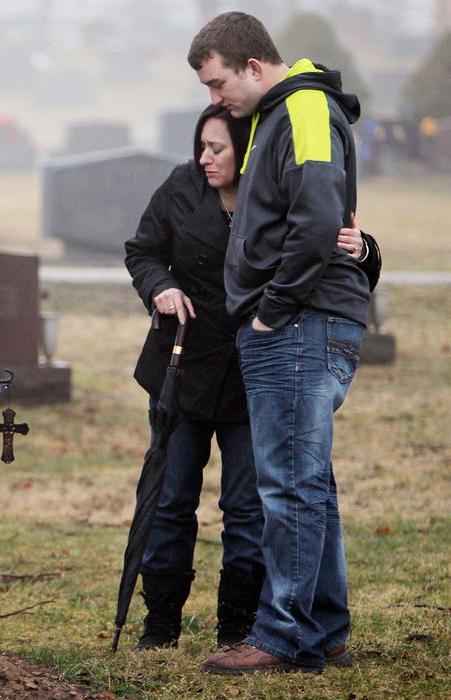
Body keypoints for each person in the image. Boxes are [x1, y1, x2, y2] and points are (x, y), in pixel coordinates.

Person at [124, 105, 380, 652]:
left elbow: (330, 250)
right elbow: (142, 250)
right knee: (170, 501)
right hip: (182, 369)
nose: (204, 158)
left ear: (248, 148)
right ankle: (160, 626)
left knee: (247, 509)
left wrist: (365, 248)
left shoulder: (278, 192)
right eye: (201, 146)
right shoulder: (181, 187)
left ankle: (239, 629)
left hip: (255, 372)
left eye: (217, 148)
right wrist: (159, 287)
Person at [187, 11, 373, 673]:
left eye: (217, 83)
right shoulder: (281, 114)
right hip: (298, 321)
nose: (215, 101)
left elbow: (320, 218)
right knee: (308, 484)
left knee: (289, 488)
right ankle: (322, 629)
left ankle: (284, 634)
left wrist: (271, 311)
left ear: (254, 67)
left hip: (299, 323)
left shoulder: (307, 112)